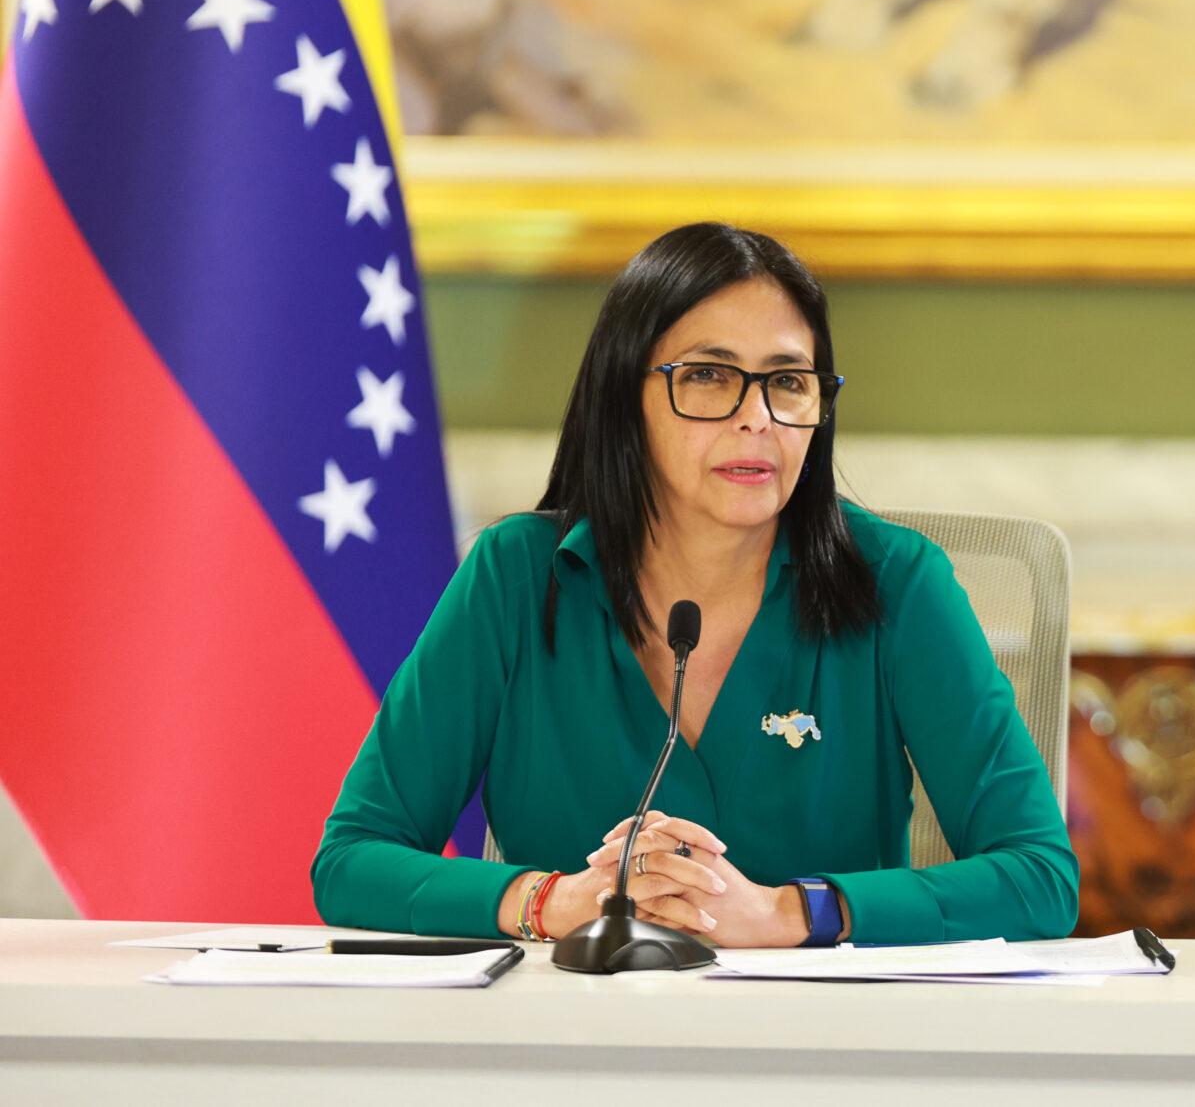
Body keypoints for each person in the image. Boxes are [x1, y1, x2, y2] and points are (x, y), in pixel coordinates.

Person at [312, 223, 1076, 944]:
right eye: (709, 376)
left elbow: (1040, 877)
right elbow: (352, 860)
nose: (757, 418)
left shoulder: (899, 583)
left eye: (789, 382)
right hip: (573, 1025)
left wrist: (788, 913)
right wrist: (556, 901)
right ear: (624, 397)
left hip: (821, 1031)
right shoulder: (514, 577)